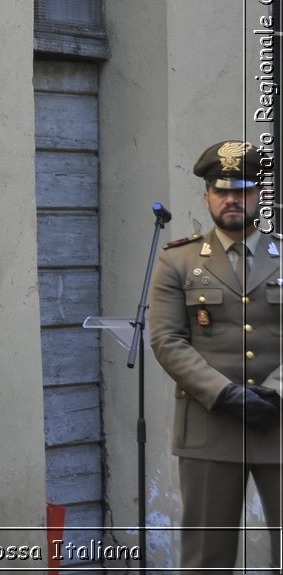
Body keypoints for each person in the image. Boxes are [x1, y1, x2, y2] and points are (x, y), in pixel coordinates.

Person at [148, 139, 283, 572]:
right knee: (207, 558)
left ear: (259, 195)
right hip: (210, 425)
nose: (231, 200)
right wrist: (225, 394)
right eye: (221, 190)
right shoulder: (178, 261)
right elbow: (168, 340)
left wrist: (276, 392)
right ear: (207, 196)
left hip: (280, 422)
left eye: (241, 190)